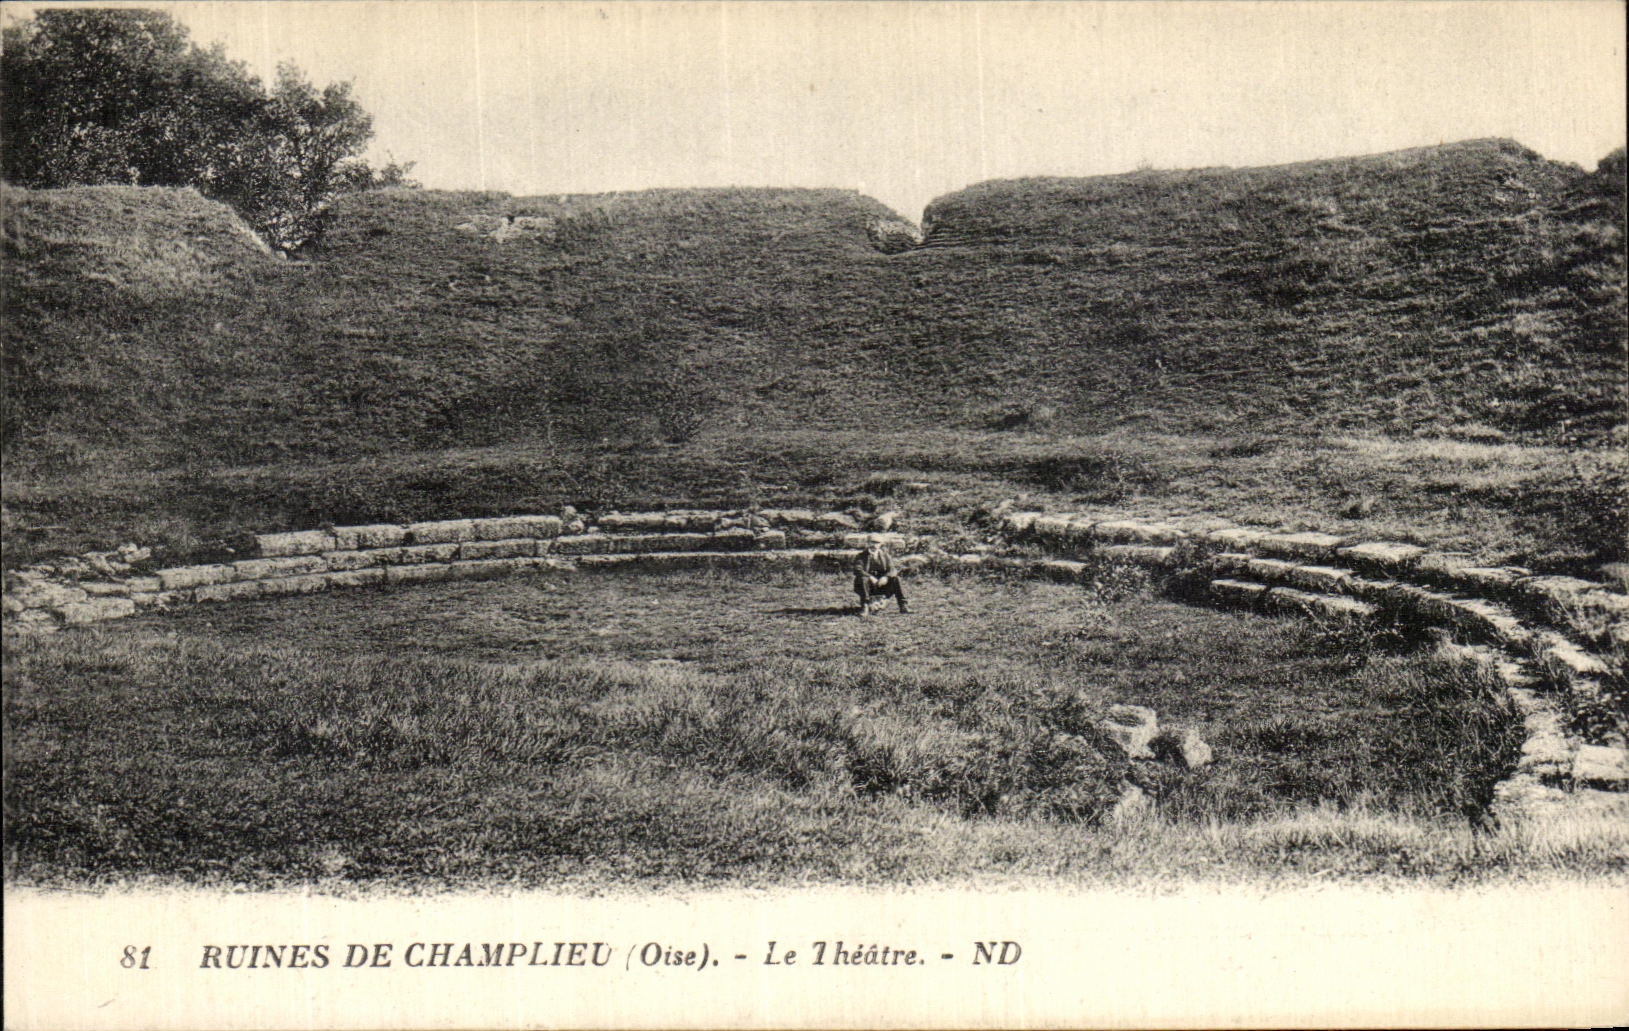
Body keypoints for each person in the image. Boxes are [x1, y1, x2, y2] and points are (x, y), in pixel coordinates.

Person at [853, 541, 909, 615]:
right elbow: (857, 569)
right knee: (863, 579)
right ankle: (865, 606)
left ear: (880, 545)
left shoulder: (885, 555)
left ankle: (903, 605)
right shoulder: (861, 556)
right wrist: (870, 577)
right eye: (871, 543)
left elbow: (892, 569)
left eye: (876, 543)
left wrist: (886, 577)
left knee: (896, 579)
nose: (874, 545)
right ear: (867, 544)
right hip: (868, 586)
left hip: (882, 585)